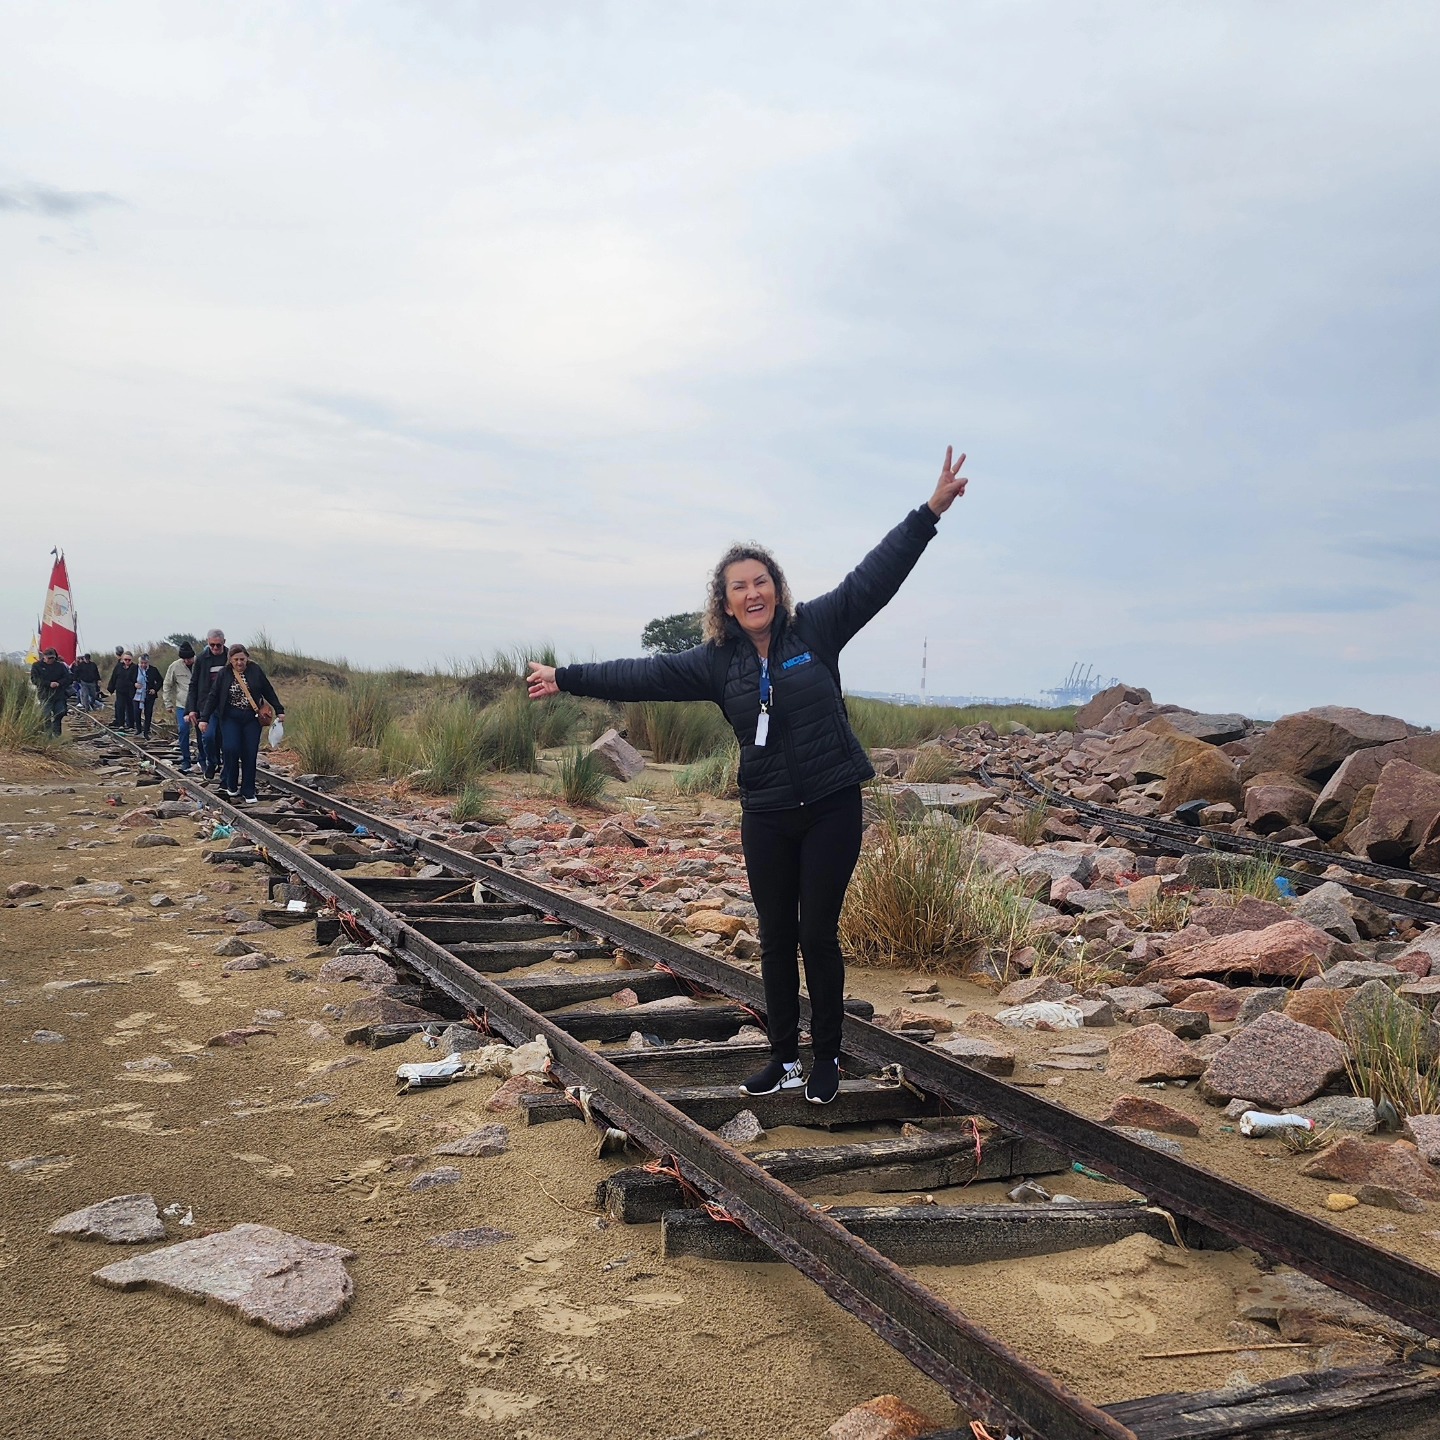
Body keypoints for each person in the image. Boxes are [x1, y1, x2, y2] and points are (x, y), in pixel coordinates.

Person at [527, 447, 971, 1104]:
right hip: (766, 812)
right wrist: (565, 677)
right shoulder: (715, 662)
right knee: (775, 936)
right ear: (725, 602)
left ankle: (827, 1057)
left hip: (831, 803)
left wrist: (928, 512)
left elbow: (875, 576)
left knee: (816, 933)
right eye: (739, 586)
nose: (752, 592)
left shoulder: (817, 628)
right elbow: (640, 674)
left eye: (760, 581)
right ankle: (784, 1058)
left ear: (777, 589)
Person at [198, 644, 284, 804]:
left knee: (250, 753)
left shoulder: (255, 670)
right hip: (230, 717)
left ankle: (248, 790)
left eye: (242, 659)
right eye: (236, 659)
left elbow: (268, 690)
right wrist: (204, 718)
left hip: (252, 718)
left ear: (247, 658)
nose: (239, 662)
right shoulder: (224, 673)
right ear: (230, 660)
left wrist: (279, 710)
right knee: (231, 749)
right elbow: (213, 696)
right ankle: (231, 783)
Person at [186, 629, 231, 781]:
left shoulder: (230, 657)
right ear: (208, 643)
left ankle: (226, 773)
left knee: (225, 740)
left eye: (218, 645)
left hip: (226, 705)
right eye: (212, 645)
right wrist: (191, 709)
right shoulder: (201, 659)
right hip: (206, 705)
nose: (215, 648)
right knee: (208, 736)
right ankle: (211, 762)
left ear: (224, 642)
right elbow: (193, 685)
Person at [162, 643, 197, 770]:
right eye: (184, 659)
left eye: (189, 658)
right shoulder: (175, 666)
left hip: (200, 705)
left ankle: (204, 760)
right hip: (182, 705)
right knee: (183, 730)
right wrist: (168, 703)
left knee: (203, 733)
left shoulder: (201, 663)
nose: (187, 661)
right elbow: (167, 684)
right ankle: (186, 759)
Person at [30, 647, 71, 737]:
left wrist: (59, 683)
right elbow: (34, 679)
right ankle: (48, 734)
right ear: (44, 657)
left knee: (60, 712)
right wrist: (48, 684)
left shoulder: (60, 666)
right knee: (46, 715)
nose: (51, 660)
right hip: (45, 694)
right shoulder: (36, 666)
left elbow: (68, 678)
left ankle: (57, 733)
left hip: (58, 694)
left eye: (52, 658)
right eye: (49, 658)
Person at [107, 651, 139, 732]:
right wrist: (111, 688)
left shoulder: (135, 667)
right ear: (123, 659)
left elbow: (137, 679)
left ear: (131, 659)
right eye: (125, 659)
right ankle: (120, 724)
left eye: (129, 660)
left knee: (130, 707)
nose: (127, 661)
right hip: (120, 690)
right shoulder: (119, 666)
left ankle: (131, 724)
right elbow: (114, 677)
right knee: (120, 707)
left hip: (130, 691)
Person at [134, 653, 163, 739]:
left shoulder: (153, 670)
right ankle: (138, 729)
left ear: (148, 662)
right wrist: (134, 684)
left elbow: (160, 681)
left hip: (149, 695)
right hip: (137, 695)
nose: (143, 665)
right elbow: (129, 680)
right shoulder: (135, 669)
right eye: (142, 663)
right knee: (137, 712)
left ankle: (146, 731)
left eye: (145, 663)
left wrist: (155, 689)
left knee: (148, 713)